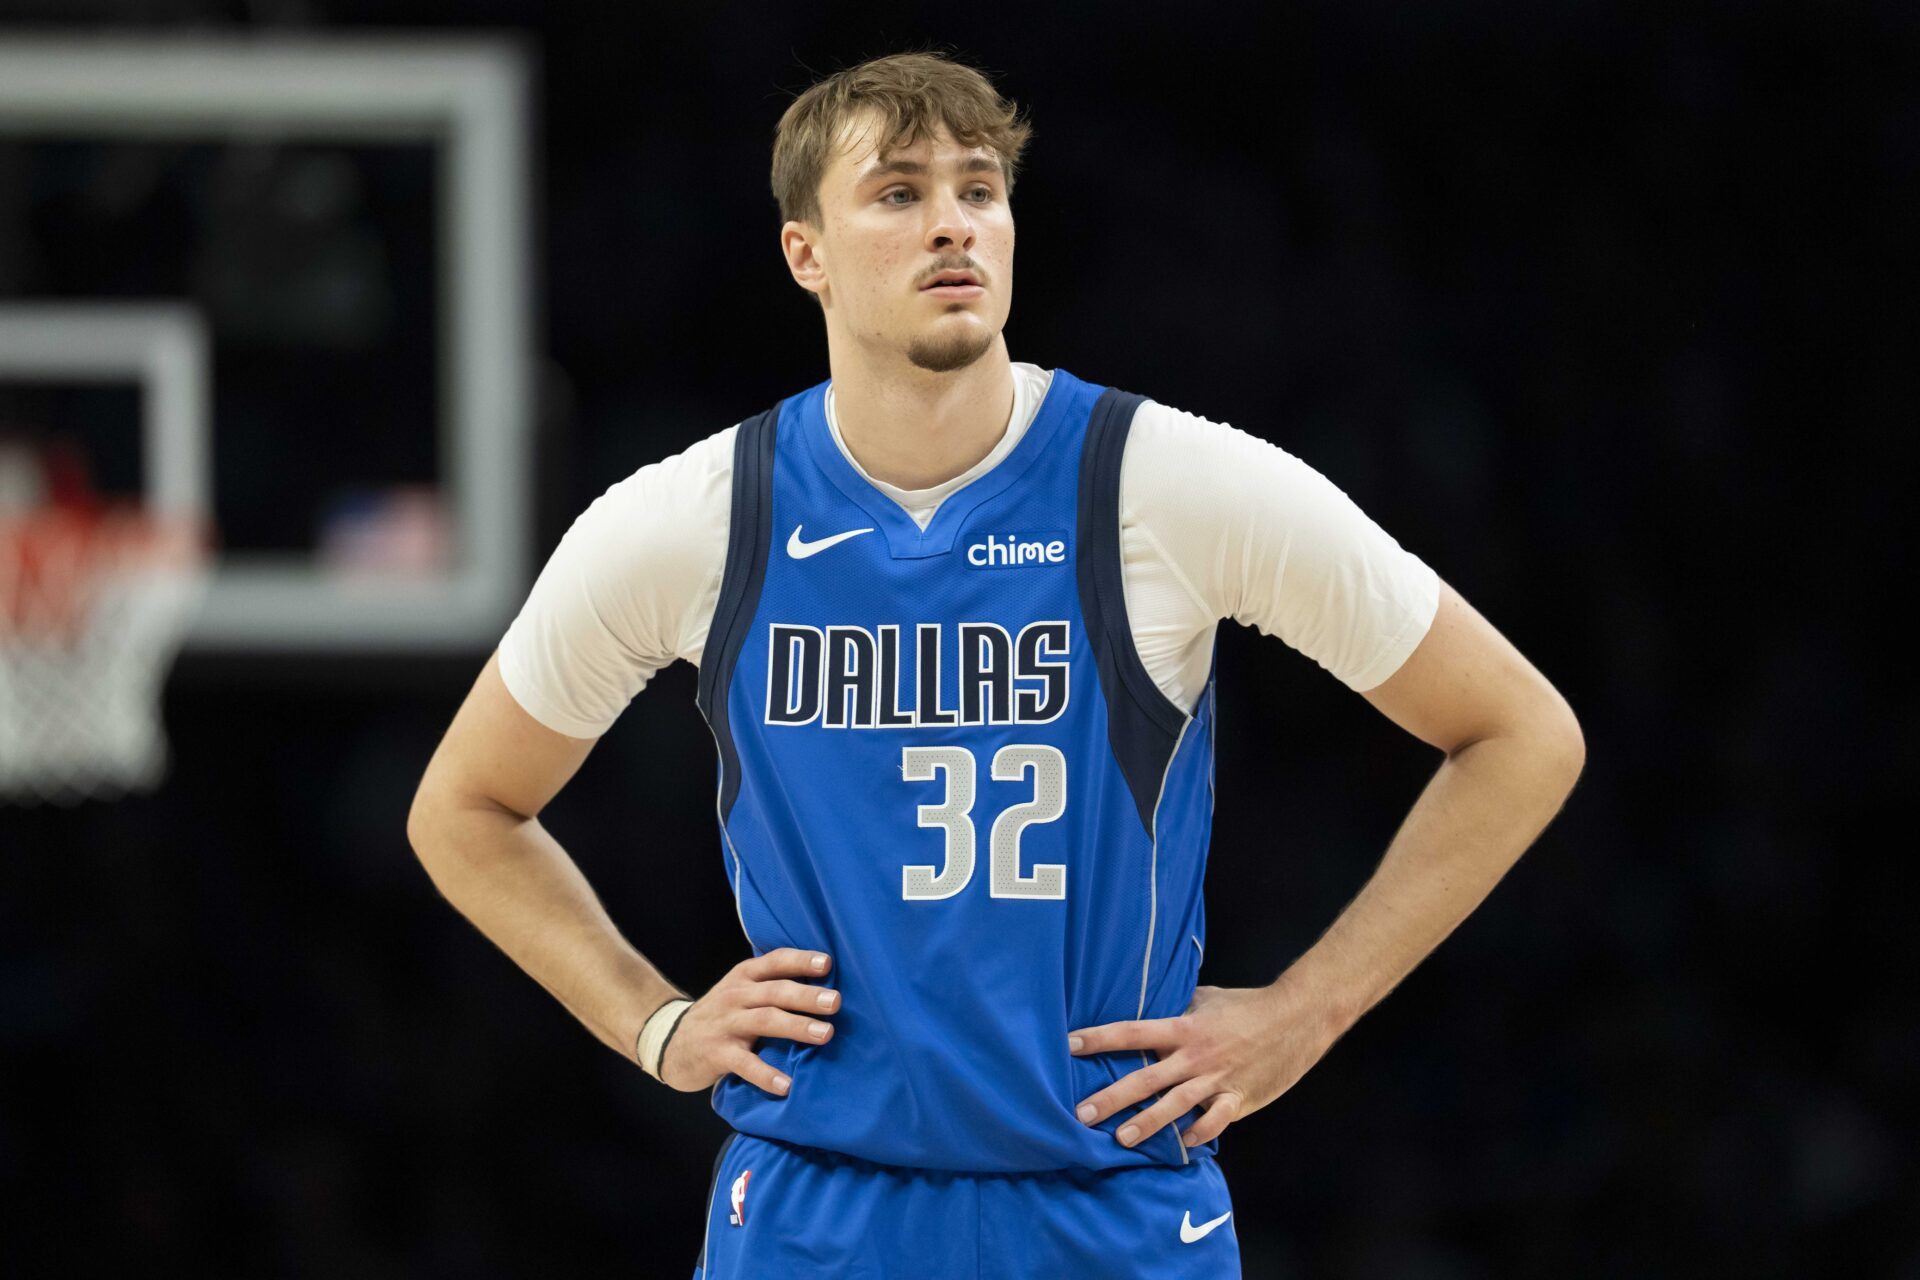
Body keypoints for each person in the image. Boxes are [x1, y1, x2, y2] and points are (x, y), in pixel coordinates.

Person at [407, 50, 1585, 1279]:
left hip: (1112, 1196)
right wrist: (655, 1025)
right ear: (805, 251)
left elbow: (1521, 731)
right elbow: (466, 809)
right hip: (819, 1211)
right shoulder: (697, 517)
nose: (953, 225)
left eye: (980, 189)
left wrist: (1310, 1008)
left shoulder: (1164, 482)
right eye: (899, 193)